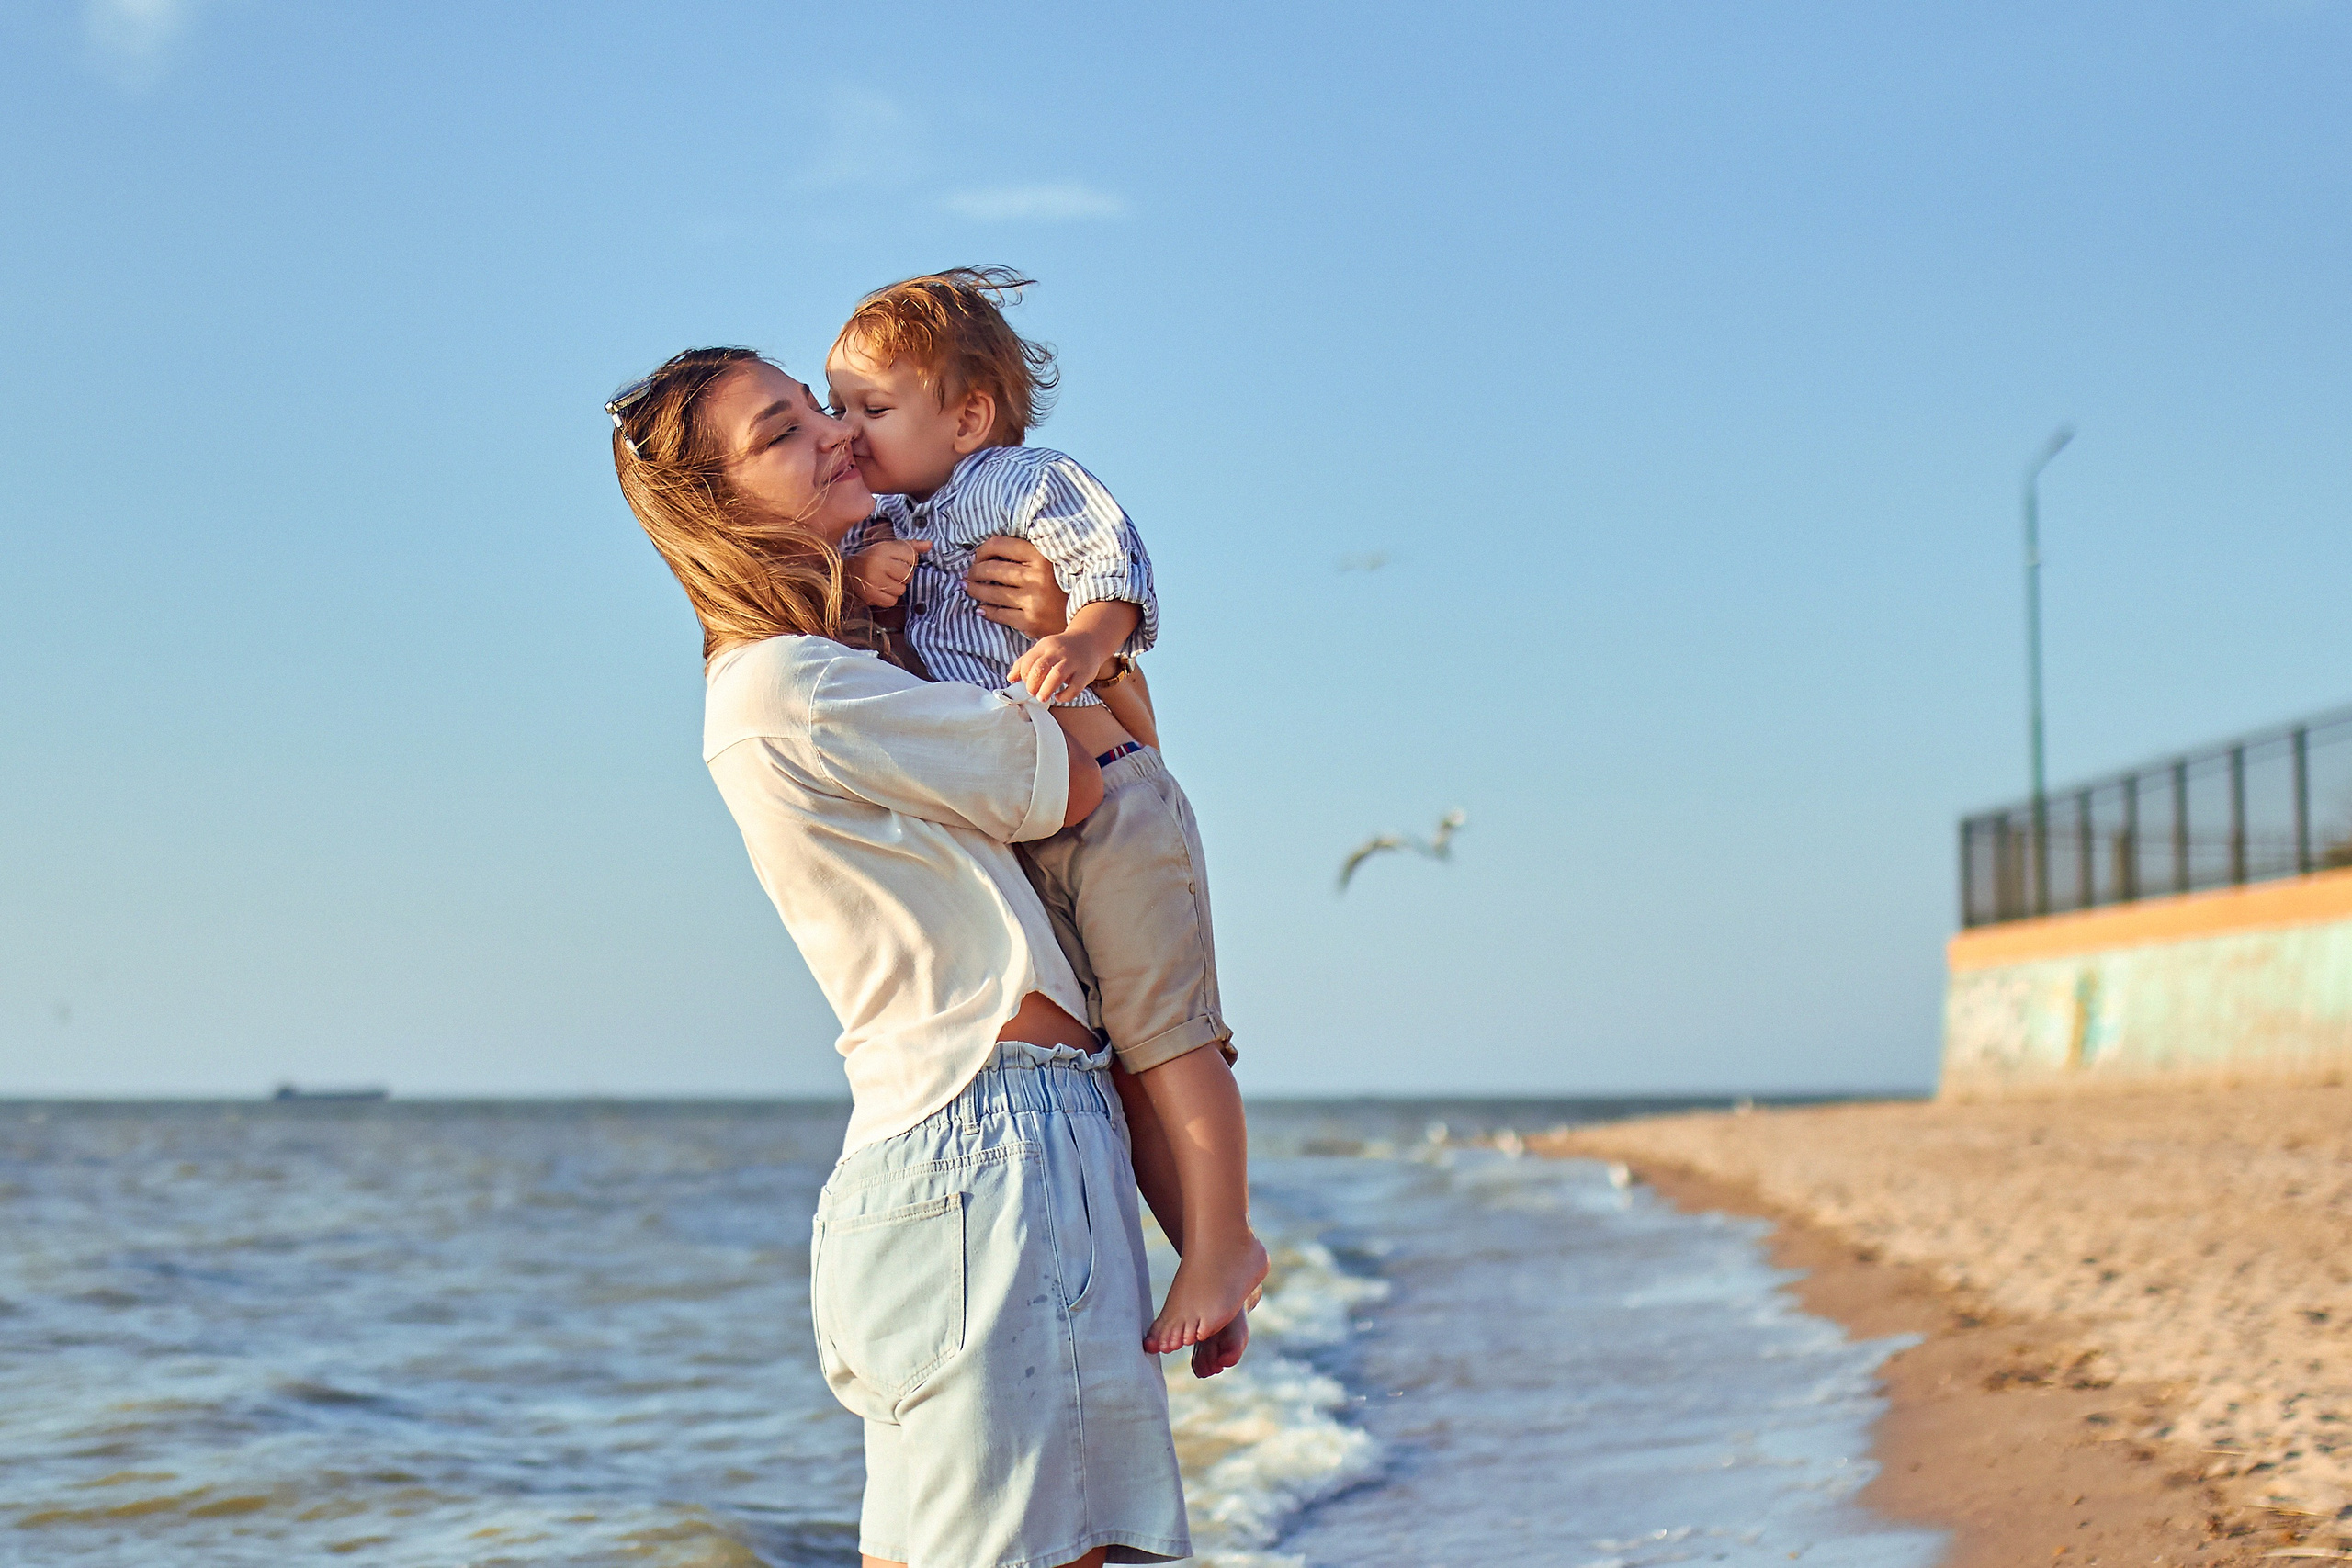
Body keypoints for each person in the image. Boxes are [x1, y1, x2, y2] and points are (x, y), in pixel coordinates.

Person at [607, 346, 1196, 1568]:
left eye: (816, 406)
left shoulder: (844, 665)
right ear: (718, 510)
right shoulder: (790, 684)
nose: (833, 431)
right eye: (781, 431)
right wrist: (1051, 639)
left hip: (1025, 1139)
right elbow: (1077, 778)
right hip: (977, 1147)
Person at [827, 267, 1265, 1359]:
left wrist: (1082, 637)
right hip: (1025, 831)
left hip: (1111, 800)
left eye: (870, 409)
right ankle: (1204, 1266)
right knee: (1120, 1063)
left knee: (1170, 1038)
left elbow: (1116, 564)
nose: (847, 432)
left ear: (967, 413)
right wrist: (863, 574)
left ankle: (1226, 1244)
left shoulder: (1025, 482)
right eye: (836, 408)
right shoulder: (879, 517)